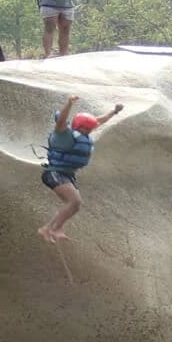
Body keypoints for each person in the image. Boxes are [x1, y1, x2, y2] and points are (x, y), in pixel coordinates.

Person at [38, 94, 124, 243]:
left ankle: (53, 228)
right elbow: (61, 121)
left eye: (89, 128)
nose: (87, 130)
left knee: (75, 205)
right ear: (77, 126)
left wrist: (114, 112)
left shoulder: (85, 134)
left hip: (67, 175)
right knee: (74, 201)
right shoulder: (64, 135)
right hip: (54, 173)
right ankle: (50, 228)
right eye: (84, 127)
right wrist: (69, 103)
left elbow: (99, 121)